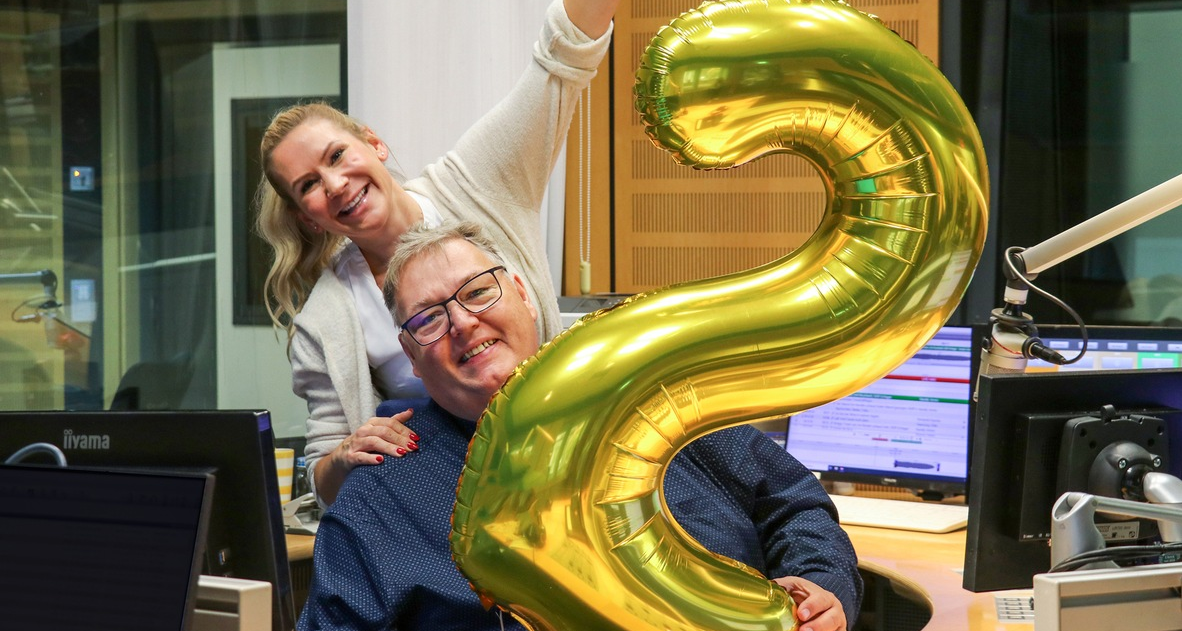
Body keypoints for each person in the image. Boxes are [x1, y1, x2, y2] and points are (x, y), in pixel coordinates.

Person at [297, 220, 863, 631]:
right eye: (429, 319)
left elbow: (794, 505)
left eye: (477, 292)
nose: (464, 324)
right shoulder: (386, 486)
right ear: (410, 355)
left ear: (521, 293)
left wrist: (822, 587)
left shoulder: (651, 399)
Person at [255, 0, 638, 506]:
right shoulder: (326, 321)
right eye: (309, 185)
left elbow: (562, 57)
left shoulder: (481, 181)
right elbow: (326, 480)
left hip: (574, 471)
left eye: (339, 155)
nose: (336, 184)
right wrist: (345, 454)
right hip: (448, 512)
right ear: (306, 217)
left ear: (374, 144)